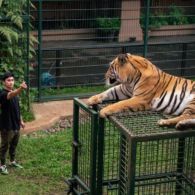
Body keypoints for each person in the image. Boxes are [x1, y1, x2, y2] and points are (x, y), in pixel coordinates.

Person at [0, 72, 27, 175]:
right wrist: (20, 89)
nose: (11, 82)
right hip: (7, 126)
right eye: (8, 80)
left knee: (14, 144)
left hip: (15, 124)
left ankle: (12, 161)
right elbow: (11, 95)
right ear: (4, 82)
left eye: (12, 80)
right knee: (4, 146)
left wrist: (21, 121)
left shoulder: (15, 94)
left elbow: (17, 109)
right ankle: (2, 165)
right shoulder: (3, 94)